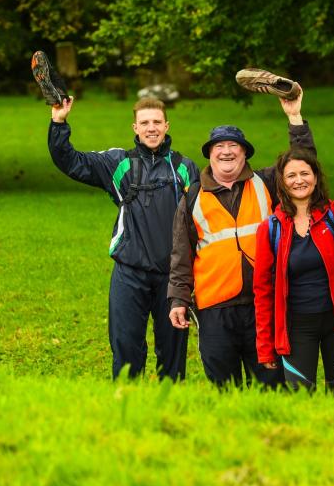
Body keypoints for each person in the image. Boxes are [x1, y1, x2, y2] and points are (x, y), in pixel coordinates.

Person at [168, 88, 315, 388]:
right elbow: (181, 254)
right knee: (225, 388)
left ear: (244, 152)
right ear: (209, 154)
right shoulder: (192, 196)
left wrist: (295, 117)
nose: (226, 151)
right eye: (219, 146)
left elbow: (304, 162)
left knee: (272, 385)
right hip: (214, 307)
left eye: (233, 145)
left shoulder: (267, 183)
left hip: (263, 304)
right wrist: (178, 299)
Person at [48, 96, 200, 380]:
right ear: (135, 127)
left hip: (173, 278)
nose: (151, 128)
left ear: (167, 125)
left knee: (173, 358)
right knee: (126, 354)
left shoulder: (185, 168)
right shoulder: (118, 163)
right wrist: (59, 122)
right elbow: (70, 161)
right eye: (145, 123)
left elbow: (203, 220)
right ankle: (126, 410)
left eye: (157, 122)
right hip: (129, 273)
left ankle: (171, 415)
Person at [253, 140, 334, 393]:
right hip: (296, 327)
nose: (299, 180)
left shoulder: (333, 214)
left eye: (305, 173)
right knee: (299, 397)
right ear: (282, 182)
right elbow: (262, 292)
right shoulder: (270, 228)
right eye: (291, 175)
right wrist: (265, 348)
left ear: (316, 178)